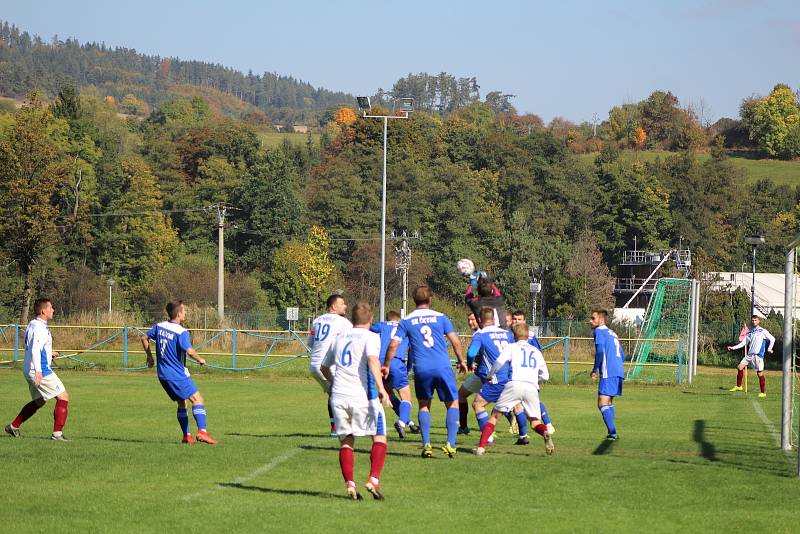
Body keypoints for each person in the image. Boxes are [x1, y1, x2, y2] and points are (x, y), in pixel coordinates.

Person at [384, 286, 468, 458]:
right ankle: (450, 444)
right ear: (430, 299)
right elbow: (455, 341)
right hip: (443, 366)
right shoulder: (441, 317)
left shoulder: (406, 321)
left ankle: (427, 445)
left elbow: (393, 345)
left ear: (414, 301)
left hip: (422, 369)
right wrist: (461, 360)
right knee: (452, 403)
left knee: (424, 405)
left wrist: (386, 364)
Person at [321, 302, 393, 500]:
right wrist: (382, 389)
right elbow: (372, 361)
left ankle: (350, 484)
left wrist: (336, 383)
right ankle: (373, 480)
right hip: (362, 397)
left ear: (352, 320)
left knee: (346, 441)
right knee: (379, 437)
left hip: (338, 396)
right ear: (370, 320)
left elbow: (324, 367)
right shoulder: (371, 336)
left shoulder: (340, 337)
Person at [141, 300, 218, 445]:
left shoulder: (159, 326)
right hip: (176, 374)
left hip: (162, 375)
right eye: (184, 311)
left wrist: (150, 356)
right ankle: (202, 432)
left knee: (182, 403)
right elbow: (189, 351)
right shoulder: (181, 332)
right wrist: (200, 359)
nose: (185, 313)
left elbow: (144, 337)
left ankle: (186, 436)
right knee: (198, 399)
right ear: (178, 314)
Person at [473, 322, 553, 456]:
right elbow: (545, 376)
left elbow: (498, 363)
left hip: (514, 384)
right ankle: (544, 432)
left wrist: (490, 375)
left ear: (514, 335)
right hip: (531, 387)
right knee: (534, 422)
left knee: (495, 416)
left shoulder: (512, 347)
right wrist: (533, 379)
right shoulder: (536, 351)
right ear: (527, 335)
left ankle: (481, 447)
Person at [4, 298, 70, 441]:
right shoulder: (40, 327)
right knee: (63, 396)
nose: (53, 310)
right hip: (40, 370)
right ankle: (57, 434)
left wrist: (49, 353)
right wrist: (39, 371)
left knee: (40, 401)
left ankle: (13, 426)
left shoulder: (32, 324)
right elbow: (34, 349)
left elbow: (29, 346)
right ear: (43, 311)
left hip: (28, 369)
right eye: (51, 307)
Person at [465, 307, 530, 446]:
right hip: (511, 376)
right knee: (516, 404)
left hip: (495, 378)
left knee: (478, 404)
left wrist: (470, 364)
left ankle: (488, 438)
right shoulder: (507, 334)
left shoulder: (480, 334)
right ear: (494, 320)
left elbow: (471, 353)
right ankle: (523, 435)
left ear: (480, 320)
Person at [370, 311, 419, 438]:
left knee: (387, 394)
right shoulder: (404, 328)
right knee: (406, 397)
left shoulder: (381, 325)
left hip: (380, 364)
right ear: (399, 319)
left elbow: (369, 328)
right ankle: (402, 422)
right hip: (396, 362)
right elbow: (411, 352)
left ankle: (409, 422)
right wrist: (408, 368)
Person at [309, 294, 352, 435]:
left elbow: (310, 343)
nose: (345, 306)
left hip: (314, 365)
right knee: (343, 392)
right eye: (342, 303)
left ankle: (335, 428)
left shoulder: (317, 320)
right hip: (328, 365)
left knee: (334, 394)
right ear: (333, 307)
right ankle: (344, 426)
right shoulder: (343, 323)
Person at [511, 310, 555, 435]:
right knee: (527, 402)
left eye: (519, 319)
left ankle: (525, 433)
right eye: (514, 319)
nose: (516, 321)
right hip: (518, 377)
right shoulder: (512, 335)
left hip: (528, 376)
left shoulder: (529, 336)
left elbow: (538, 354)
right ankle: (544, 426)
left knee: (523, 403)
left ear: (524, 321)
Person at [589, 307, 625, 440]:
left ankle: (613, 433)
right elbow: (622, 354)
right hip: (618, 370)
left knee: (602, 403)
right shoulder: (612, 333)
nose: (590, 321)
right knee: (608, 402)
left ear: (601, 320)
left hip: (608, 372)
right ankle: (612, 432)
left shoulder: (599, 331)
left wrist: (594, 370)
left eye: (593, 318)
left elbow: (599, 352)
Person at [727, 315, 775, 398]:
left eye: (755, 320)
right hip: (749, 355)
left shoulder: (762, 331)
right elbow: (743, 343)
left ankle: (763, 392)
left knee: (759, 373)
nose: (753, 322)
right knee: (739, 367)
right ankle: (739, 386)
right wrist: (733, 347)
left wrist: (769, 349)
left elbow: (772, 339)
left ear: (758, 321)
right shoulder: (750, 332)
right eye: (752, 320)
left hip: (758, 356)